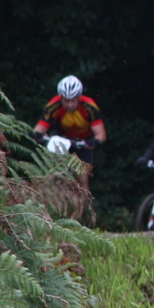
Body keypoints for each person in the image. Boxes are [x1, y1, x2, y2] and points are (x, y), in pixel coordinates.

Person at [34, 75, 107, 218]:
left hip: (83, 142)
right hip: (61, 140)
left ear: (79, 98)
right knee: (50, 173)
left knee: (82, 179)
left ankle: (77, 216)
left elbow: (101, 134)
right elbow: (39, 128)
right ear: (61, 98)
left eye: (73, 101)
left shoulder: (89, 107)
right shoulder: (53, 106)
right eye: (66, 101)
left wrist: (94, 142)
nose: (69, 105)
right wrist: (38, 135)